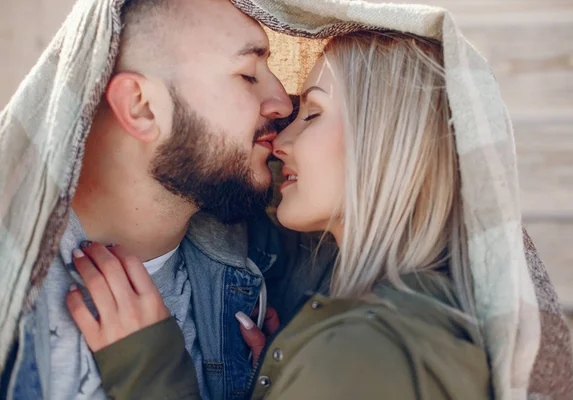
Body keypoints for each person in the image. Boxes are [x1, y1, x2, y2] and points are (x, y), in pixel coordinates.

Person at [69, 31, 496, 399]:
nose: (280, 140)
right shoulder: (391, 321)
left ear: (387, 143)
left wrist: (151, 373)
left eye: (311, 114)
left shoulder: (365, 352)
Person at [0, 0, 297, 399]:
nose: (282, 101)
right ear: (141, 107)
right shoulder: (13, 290)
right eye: (247, 74)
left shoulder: (267, 265)